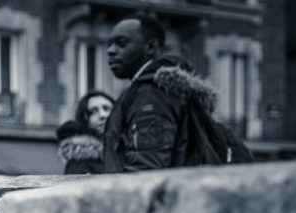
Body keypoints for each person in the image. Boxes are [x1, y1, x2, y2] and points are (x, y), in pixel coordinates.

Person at [102, 13, 212, 172]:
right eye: (109, 44)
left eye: (121, 43)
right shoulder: (152, 89)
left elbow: (146, 171)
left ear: (151, 47)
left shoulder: (151, 94)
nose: (111, 51)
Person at [56, 90, 114, 174]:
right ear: (85, 119)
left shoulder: (128, 148)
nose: (103, 115)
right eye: (94, 111)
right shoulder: (80, 162)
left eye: (106, 109)